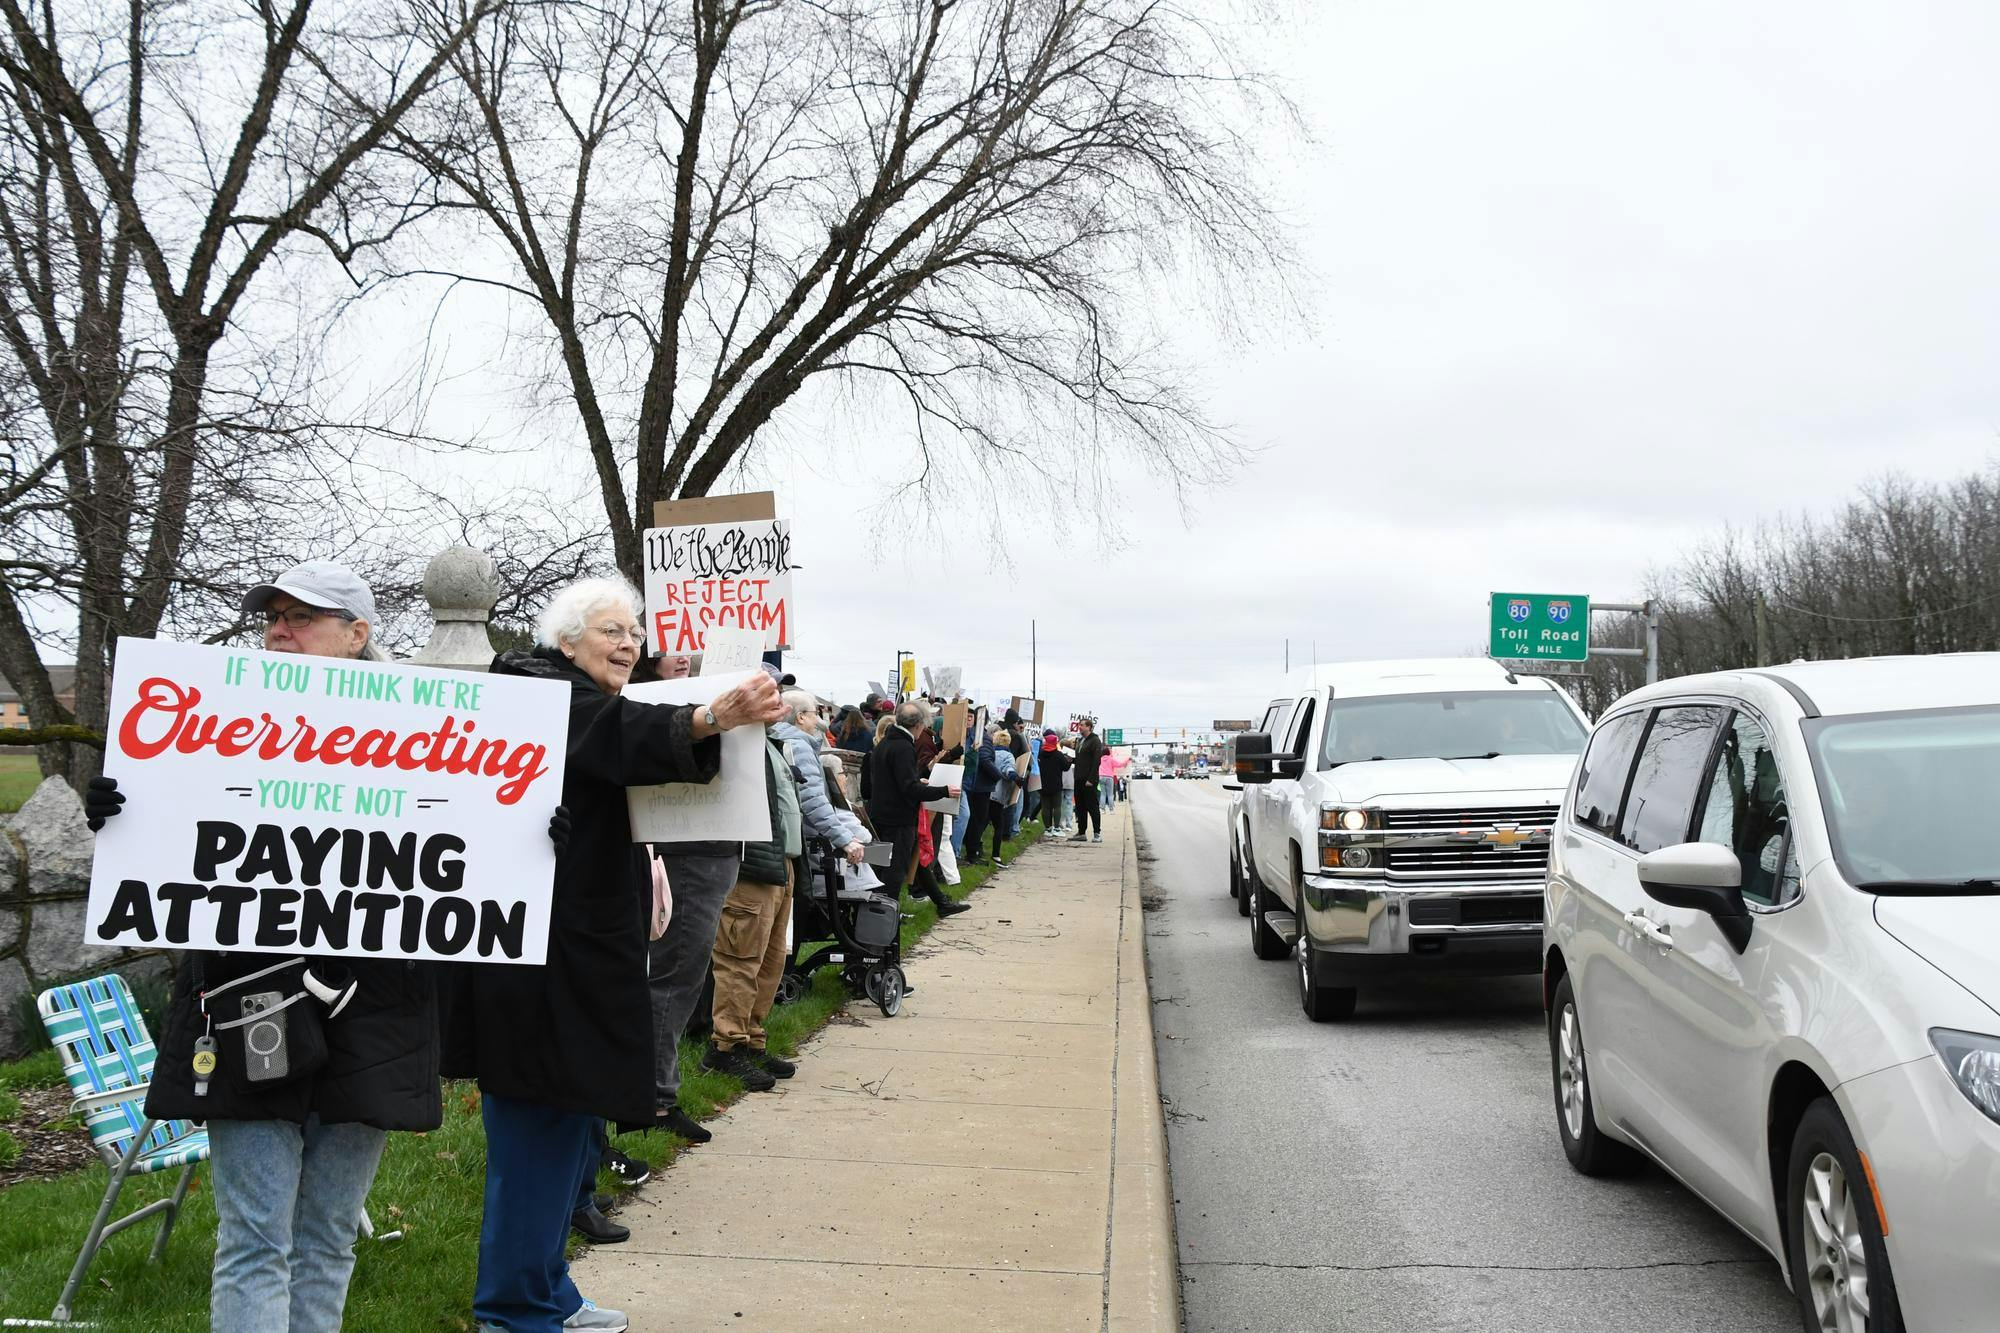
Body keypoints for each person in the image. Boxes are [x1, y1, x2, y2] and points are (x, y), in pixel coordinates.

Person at [92, 561, 493, 1333]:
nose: (279, 629)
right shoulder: (207, 723)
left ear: (357, 635)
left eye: (302, 615)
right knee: (254, 1238)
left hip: (374, 1012)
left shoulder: (436, 742)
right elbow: (175, 849)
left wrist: (528, 840)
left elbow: (470, 864)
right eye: (272, 615)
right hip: (247, 1006)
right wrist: (122, 811)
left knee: (327, 1237)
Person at [445, 577, 787, 1333]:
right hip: (534, 969)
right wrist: (707, 715)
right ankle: (512, 1308)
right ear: (565, 642)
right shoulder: (540, 695)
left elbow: (625, 744)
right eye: (610, 630)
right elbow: (618, 736)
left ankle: (549, 1292)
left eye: (634, 629)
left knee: (571, 1134)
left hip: (578, 956)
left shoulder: (576, 695)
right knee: (536, 1142)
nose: (630, 642)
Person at [702, 682, 810, 1093]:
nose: (778, 703)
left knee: (769, 961)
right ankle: (724, 1048)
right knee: (739, 961)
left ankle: (750, 1039)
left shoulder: (772, 744)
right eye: (769, 696)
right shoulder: (736, 741)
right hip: (750, 867)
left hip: (780, 864)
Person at [867, 700, 964, 906]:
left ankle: (938, 904)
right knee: (894, 872)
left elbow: (895, 781)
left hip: (882, 814)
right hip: (898, 819)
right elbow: (910, 790)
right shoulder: (903, 746)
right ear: (919, 725)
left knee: (888, 868)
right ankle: (884, 921)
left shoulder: (887, 742)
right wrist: (944, 791)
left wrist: (916, 780)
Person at [1072, 717, 1106, 843]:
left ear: (1089, 727)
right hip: (1079, 778)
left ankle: (1097, 833)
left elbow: (1096, 761)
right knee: (1080, 807)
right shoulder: (1080, 741)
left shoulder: (1095, 741)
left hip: (1089, 780)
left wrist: (1091, 779)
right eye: (1079, 725)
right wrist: (1072, 760)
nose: (1080, 727)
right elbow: (1082, 759)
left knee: (1092, 807)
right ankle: (1081, 832)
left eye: (1082, 725)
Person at [1038, 733, 1072, 838]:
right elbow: (1065, 767)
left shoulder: (1040, 753)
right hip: (1056, 784)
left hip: (1042, 783)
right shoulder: (1058, 755)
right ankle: (1056, 828)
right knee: (1057, 807)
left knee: (1045, 807)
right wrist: (1070, 761)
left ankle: (1048, 829)